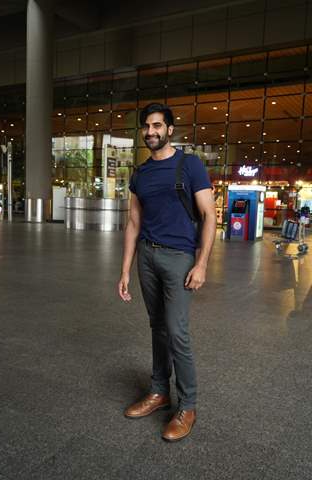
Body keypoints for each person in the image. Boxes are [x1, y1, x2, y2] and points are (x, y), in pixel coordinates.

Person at [118, 103, 217, 442]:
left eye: (158, 125)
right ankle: (159, 392)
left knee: (177, 331)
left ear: (170, 129)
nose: (151, 132)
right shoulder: (141, 173)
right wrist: (125, 271)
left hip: (179, 258)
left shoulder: (188, 165)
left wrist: (201, 263)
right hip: (147, 255)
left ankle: (188, 405)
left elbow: (209, 216)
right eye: (146, 126)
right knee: (157, 327)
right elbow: (133, 223)